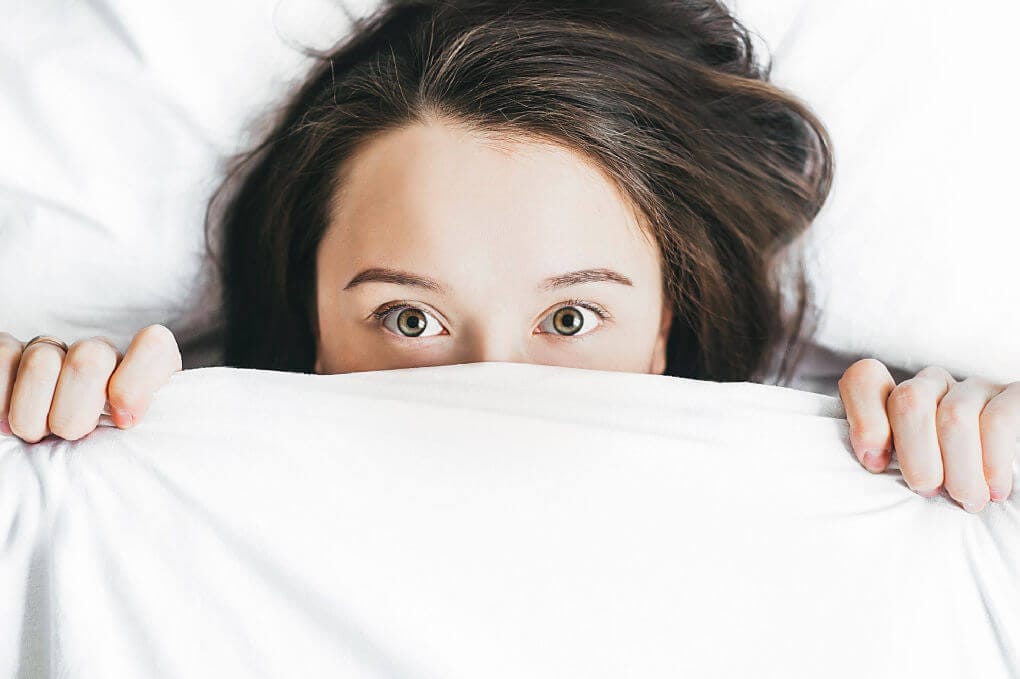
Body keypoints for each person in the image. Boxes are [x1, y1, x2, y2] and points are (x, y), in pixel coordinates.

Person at [1, 0, 1016, 513]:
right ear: (312, 329)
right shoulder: (143, 498)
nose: (491, 395)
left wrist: (984, 465)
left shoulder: (852, 495)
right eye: (409, 319)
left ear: (662, 328)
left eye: (570, 319)